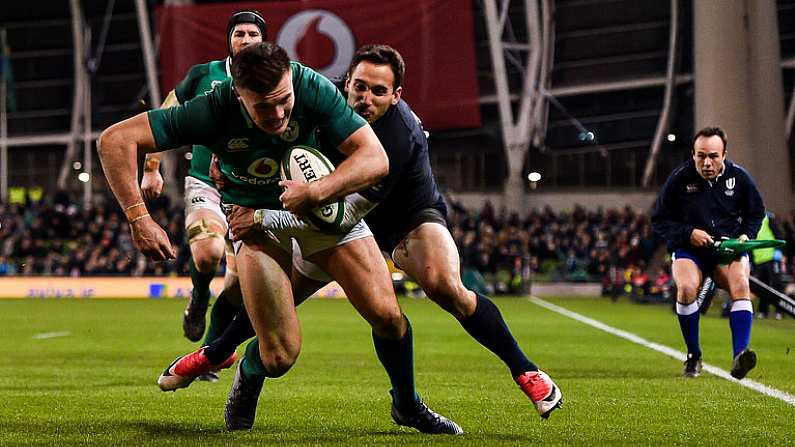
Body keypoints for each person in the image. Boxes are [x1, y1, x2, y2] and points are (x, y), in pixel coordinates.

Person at [163, 44, 562, 419]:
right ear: (346, 81)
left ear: (397, 95)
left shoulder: (400, 137)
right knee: (277, 301)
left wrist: (266, 218)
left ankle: (525, 371)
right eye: (358, 86)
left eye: (378, 91)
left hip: (401, 214)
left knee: (444, 285)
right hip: (330, 210)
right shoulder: (319, 101)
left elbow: (346, 211)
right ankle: (223, 355)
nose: (364, 99)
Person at [98, 42, 462, 435]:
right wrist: (139, 218)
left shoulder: (312, 87)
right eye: (263, 107)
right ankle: (250, 370)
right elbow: (114, 140)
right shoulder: (211, 108)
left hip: (322, 214)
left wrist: (317, 192)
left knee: (389, 318)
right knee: (281, 356)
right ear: (239, 94)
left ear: (291, 79)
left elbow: (374, 159)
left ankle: (407, 406)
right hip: (255, 225)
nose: (278, 114)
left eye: (284, 101)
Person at [140, 10, 267, 346]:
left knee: (239, 285)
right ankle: (198, 297)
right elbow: (166, 112)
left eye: (253, 35)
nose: (246, 40)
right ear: (229, 39)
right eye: (239, 34)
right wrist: (152, 168)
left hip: (250, 190)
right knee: (209, 252)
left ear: (264, 41)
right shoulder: (204, 75)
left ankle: (210, 353)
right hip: (205, 182)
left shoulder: (274, 80)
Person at [651, 126, 765, 379]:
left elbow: (756, 213)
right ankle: (694, 355)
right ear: (693, 154)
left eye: (713, 156)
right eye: (701, 155)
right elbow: (659, 219)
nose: (707, 162)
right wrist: (688, 233)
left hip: (727, 249)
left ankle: (739, 356)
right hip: (690, 249)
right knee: (686, 289)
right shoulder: (680, 178)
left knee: (740, 285)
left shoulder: (740, 178)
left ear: (724, 154)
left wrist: (746, 236)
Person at [751, 212, 785, 319]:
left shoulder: (768, 218)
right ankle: (763, 311)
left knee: (776, 284)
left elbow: (779, 234)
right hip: (759, 259)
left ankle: (780, 311)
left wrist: (778, 250)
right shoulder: (750, 221)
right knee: (762, 287)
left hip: (771, 257)